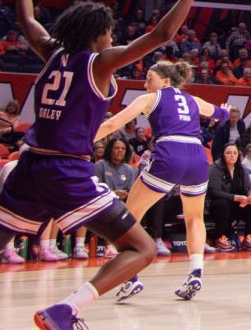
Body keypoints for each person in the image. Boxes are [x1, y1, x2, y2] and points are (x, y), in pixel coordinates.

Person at [0, 0, 204, 330]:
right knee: (143, 247)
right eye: (111, 32)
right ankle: (66, 309)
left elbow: (26, 21)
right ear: (98, 35)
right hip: (66, 171)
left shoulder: (52, 53)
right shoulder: (99, 62)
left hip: (27, 169)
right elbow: (164, 33)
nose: (114, 38)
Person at [92, 60, 230, 301]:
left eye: (149, 78)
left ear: (165, 81)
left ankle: (130, 277)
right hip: (198, 158)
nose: (145, 84)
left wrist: (80, 139)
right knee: (195, 218)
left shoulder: (151, 99)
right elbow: (219, 113)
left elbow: (113, 123)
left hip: (170, 153)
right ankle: (196, 272)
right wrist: (226, 110)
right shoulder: (192, 100)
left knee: (129, 216)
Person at [208, 144, 251, 252]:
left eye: (235, 153)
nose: (232, 155)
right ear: (223, 155)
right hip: (218, 206)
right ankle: (220, 238)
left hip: (238, 204)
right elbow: (214, 191)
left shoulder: (241, 168)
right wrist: (234, 197)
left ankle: (248, 238)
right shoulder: (215, 168)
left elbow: (248, 188)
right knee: (223, 204)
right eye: (228, 153)